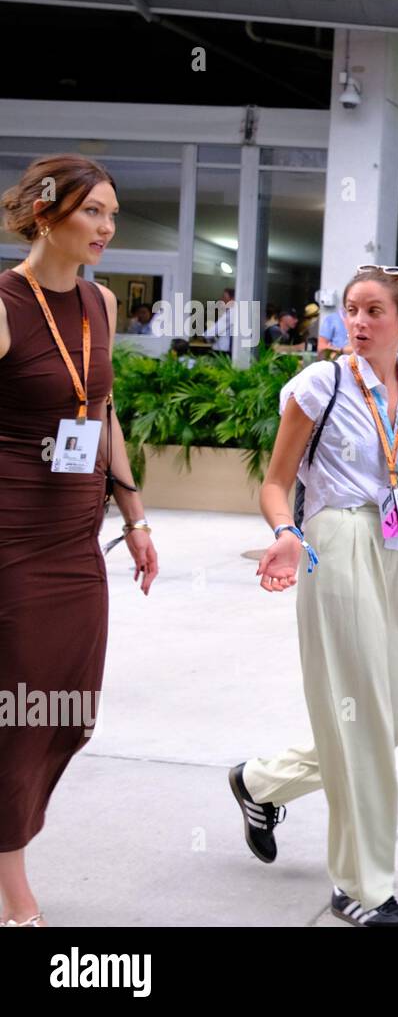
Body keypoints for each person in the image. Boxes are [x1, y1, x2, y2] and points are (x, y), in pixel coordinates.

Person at [229, 264, 398, 927]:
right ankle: (360, 888)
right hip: (333, 540)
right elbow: (275, 482)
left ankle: (260, 782)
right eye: (350, 310)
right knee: (360, 722)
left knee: (387, 723)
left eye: (373, 311)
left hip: (395, 551)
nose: (358, 323)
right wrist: (283, 531)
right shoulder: (319, 385)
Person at [0, 154, 159, 928]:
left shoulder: (99, 304)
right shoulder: (2, 304)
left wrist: (133, 518)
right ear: (45, 214)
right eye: (93, 212)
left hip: (74, 537)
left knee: (70, 709)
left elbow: (101, 411)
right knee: (22, 710)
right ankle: (17, 895)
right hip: (11, 536)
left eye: (112, 216)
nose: (106, 228)